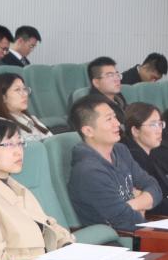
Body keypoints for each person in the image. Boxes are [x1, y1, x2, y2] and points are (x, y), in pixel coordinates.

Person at [0, 120, 74, 260]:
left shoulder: (17, 187)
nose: (18, 151)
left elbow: (49, 225)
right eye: (8, 145)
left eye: (20, 143)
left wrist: (66, 245)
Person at [67, 96, 162, 232]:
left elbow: (155, 188)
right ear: (88, 131)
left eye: (115, 117)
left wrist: (131, 205)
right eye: (109, 119)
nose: (117, 123)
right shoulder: (88, 171)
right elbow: (126, 220)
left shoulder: (120, 150)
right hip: (116, 238)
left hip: (135, 230)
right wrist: (142, 202)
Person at [121, 102, 168, 216]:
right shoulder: (132, 157)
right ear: (135, 131)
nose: (159, 130)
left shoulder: (155, 153)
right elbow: (153, 204)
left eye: (160, 124)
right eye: (153, 125)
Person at [0, 72, 51, 142]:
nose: (25, 94)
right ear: (3, 97)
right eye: (17, 90)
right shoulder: (4, 128)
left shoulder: (32, 119)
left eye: (24, 89)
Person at [84, 56, 129, 126]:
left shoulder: (118, 96)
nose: (117, 79)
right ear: (96, 82)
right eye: (110, 75)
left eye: (117, 74)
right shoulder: (94, 107)